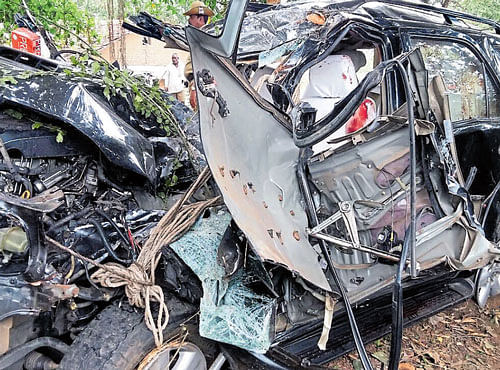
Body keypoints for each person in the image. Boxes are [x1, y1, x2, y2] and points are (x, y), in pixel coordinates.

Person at [183, 1, 214, 110]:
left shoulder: (204, 38)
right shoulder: (199, 37)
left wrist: (194, 89)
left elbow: (203, 64)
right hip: (197, 84)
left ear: (200, 19)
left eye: (191, 17)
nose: (189, 20)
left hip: (200, 86)